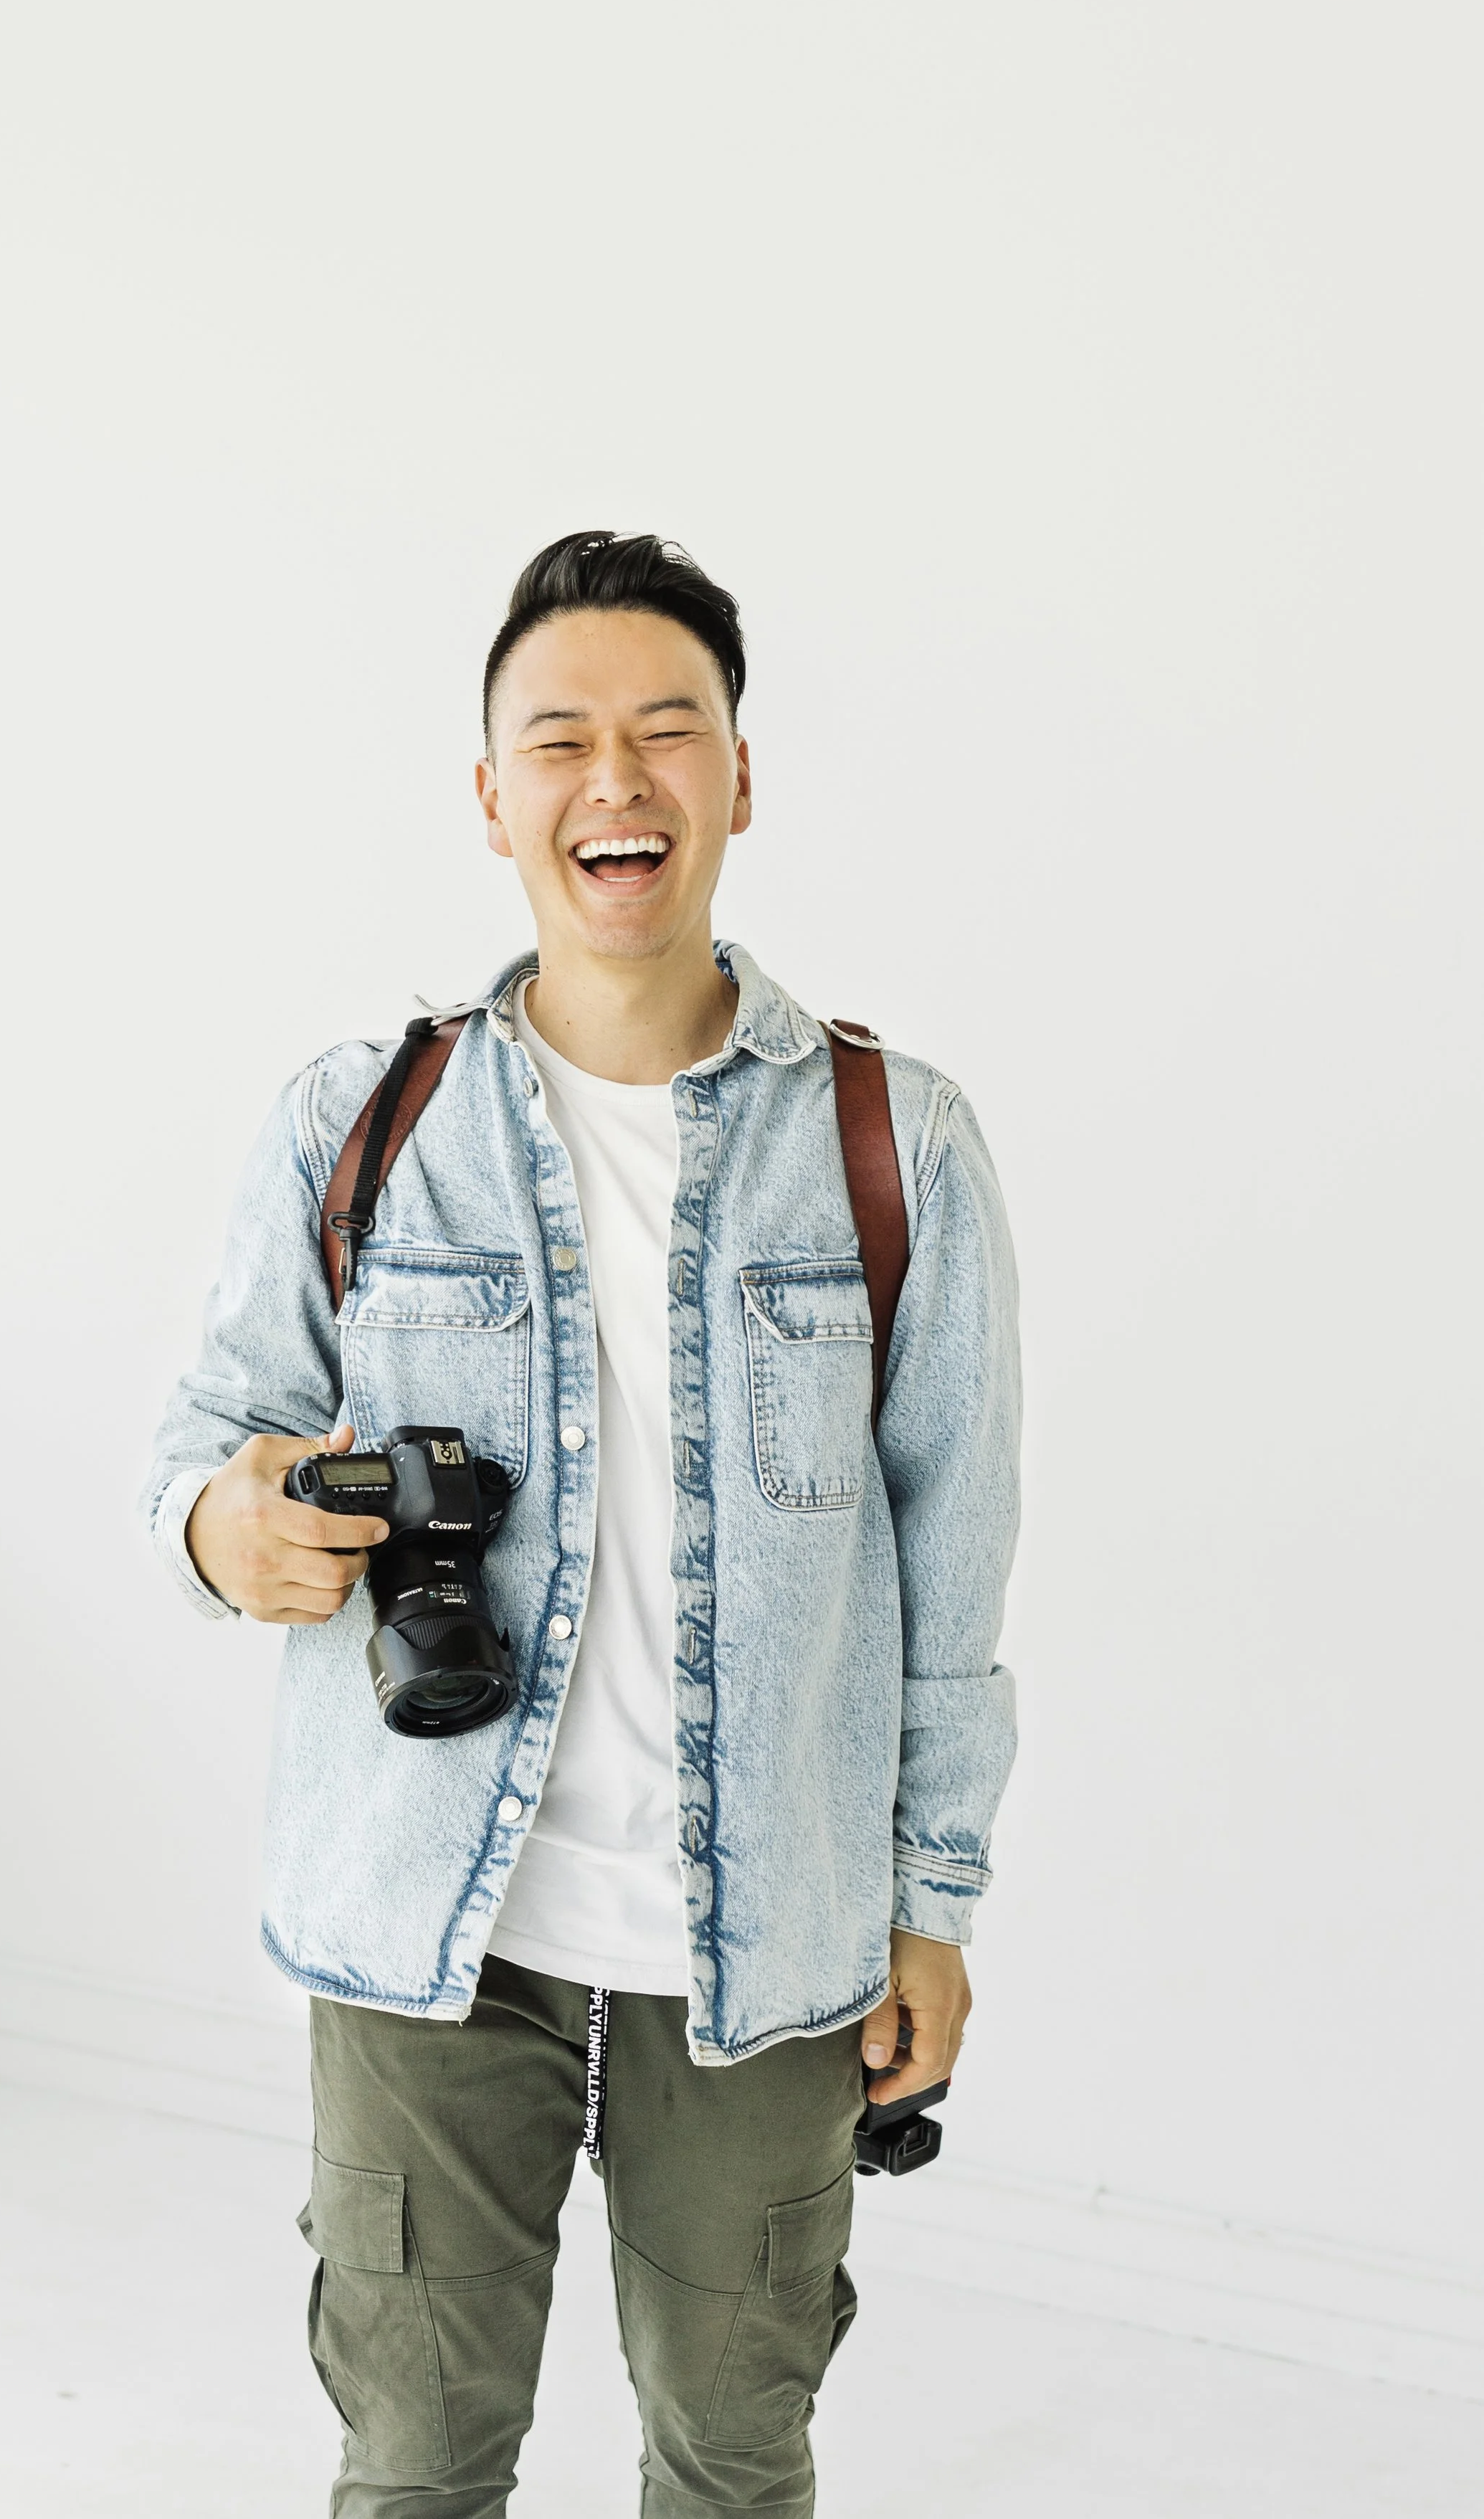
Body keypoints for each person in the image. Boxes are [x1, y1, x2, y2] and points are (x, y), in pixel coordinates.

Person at [144, 531, 1020, 2518]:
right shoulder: (356, 1116)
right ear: (490, 797)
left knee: (732, 2453)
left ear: (734, 774)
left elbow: (952, 1563)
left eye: (663, 731)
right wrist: (227, 1525)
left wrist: (931, 1902)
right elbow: (199, 1441)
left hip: (769, 1939)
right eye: (557, 740)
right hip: (422, 1929)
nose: (611, 780)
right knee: (419, 2453)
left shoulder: (896, 1143)